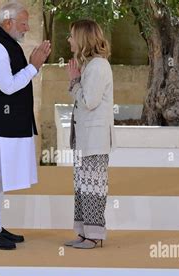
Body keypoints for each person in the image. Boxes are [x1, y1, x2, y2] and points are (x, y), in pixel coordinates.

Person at [0, 1, 51, 250]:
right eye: (23, 23)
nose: (27, 28)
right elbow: (8, 86)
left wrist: (32, 67)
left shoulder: (6, 43)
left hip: (3, 125)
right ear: (7, 22)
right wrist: (33, 67)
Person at [64, 19, 116, 249]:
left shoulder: (98, 66)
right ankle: (85, 233)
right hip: (83, 142)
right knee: (82, 186)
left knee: (93, 186)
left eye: (72, 36)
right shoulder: (89, 65)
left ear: (83, 39)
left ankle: (95, 236)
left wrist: (74, 81)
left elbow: (89, 101)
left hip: (94, 142)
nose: (68, 40)